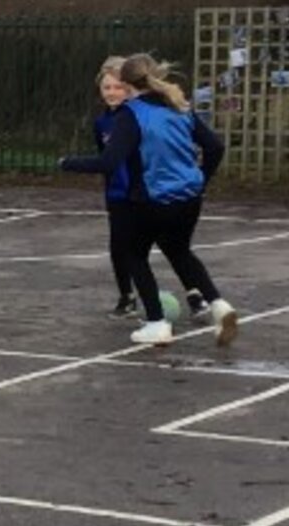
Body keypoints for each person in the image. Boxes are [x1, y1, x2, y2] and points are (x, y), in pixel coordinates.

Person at [60, 54, 236, 346]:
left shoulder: (132, 114)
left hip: (151, 198)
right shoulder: (179, 106)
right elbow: (215, 146)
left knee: (134, 255)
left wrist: (68, 163)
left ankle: (156, 322)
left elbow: (109, 161)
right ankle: (219, 305)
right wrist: (200, 179)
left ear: (128, 84)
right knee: (180, 252)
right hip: (189, 198)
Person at [93, 56, 210, 322]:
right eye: (106, 88)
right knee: (120, 247)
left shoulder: (141, 116)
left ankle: (194, 295)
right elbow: (106, 160)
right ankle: (128, 298)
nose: (112, 92)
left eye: (117, 87)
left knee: (169, 247)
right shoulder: (102, 123)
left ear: (130, 87)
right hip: (118, 195)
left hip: (146, 195)